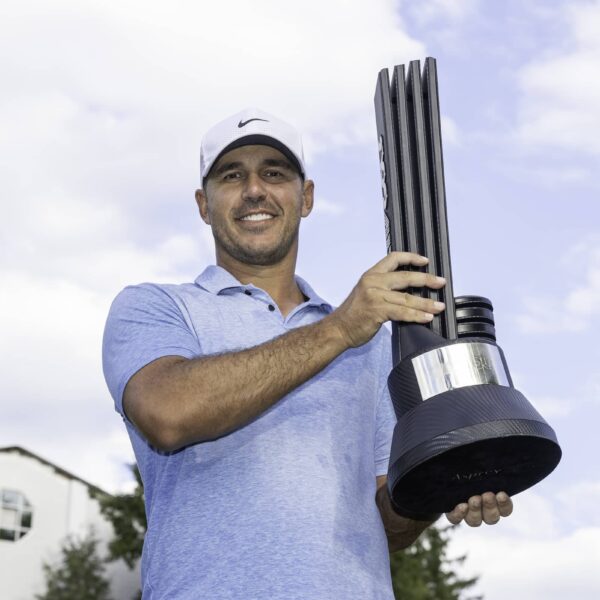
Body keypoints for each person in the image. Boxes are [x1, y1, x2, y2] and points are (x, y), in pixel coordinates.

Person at [102, 108, 513, 600]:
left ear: (307, 197)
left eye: (274, 173)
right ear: (203, 205)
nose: (255, 189)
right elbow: (169, 413)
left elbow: (386, 528)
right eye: (232, 176)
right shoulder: (156, 308)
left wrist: (439, 483)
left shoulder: (375, 345)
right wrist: (340, 328)